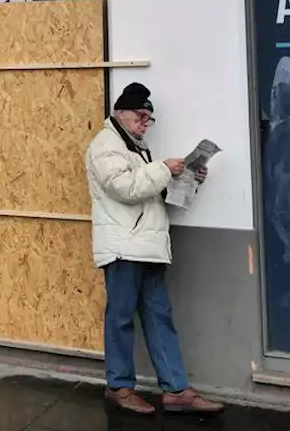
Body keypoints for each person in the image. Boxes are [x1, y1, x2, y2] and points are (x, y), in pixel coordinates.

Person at [87, 83, 224, 416]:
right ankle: (119, 386)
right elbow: (125, 187)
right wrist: (165, 168)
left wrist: (186, 177)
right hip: (123, 247)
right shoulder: (106, 145)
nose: (146, 123)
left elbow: (146, 192)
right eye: (141, 116)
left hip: (146, 246)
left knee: (159, 317)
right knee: (120, 318)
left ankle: (176, 389)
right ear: (121, 112)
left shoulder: (136, 146)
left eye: (149, 119)